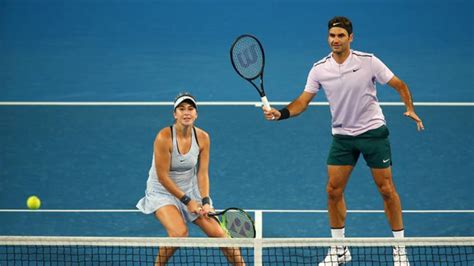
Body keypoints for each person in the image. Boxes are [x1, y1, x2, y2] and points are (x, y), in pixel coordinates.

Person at [263, 16, 424, 266]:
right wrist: (281, 113)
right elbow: (302, 101)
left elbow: (400, 85)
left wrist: (410, 107)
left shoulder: (369, 62)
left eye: (340, 36)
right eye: (331, 36)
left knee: (386, 190)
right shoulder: (320, 68)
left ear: (351, 37)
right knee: (333, 191)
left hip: (372, 132)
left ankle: (400, 250)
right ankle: (340, 249)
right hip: (342, 137)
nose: (335, 40)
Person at [136, 92, 245, 266]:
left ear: (196, 113)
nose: (186, 112)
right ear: (175, 114)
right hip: (161, 191)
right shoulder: (164, 137)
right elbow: (163, 177)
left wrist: (205, 200)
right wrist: (188, 202)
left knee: (221, 236)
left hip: (189, 188)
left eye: (190, 108)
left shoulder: (203, 137)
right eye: (181, 109)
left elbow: (202, 173)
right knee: (179, 234)